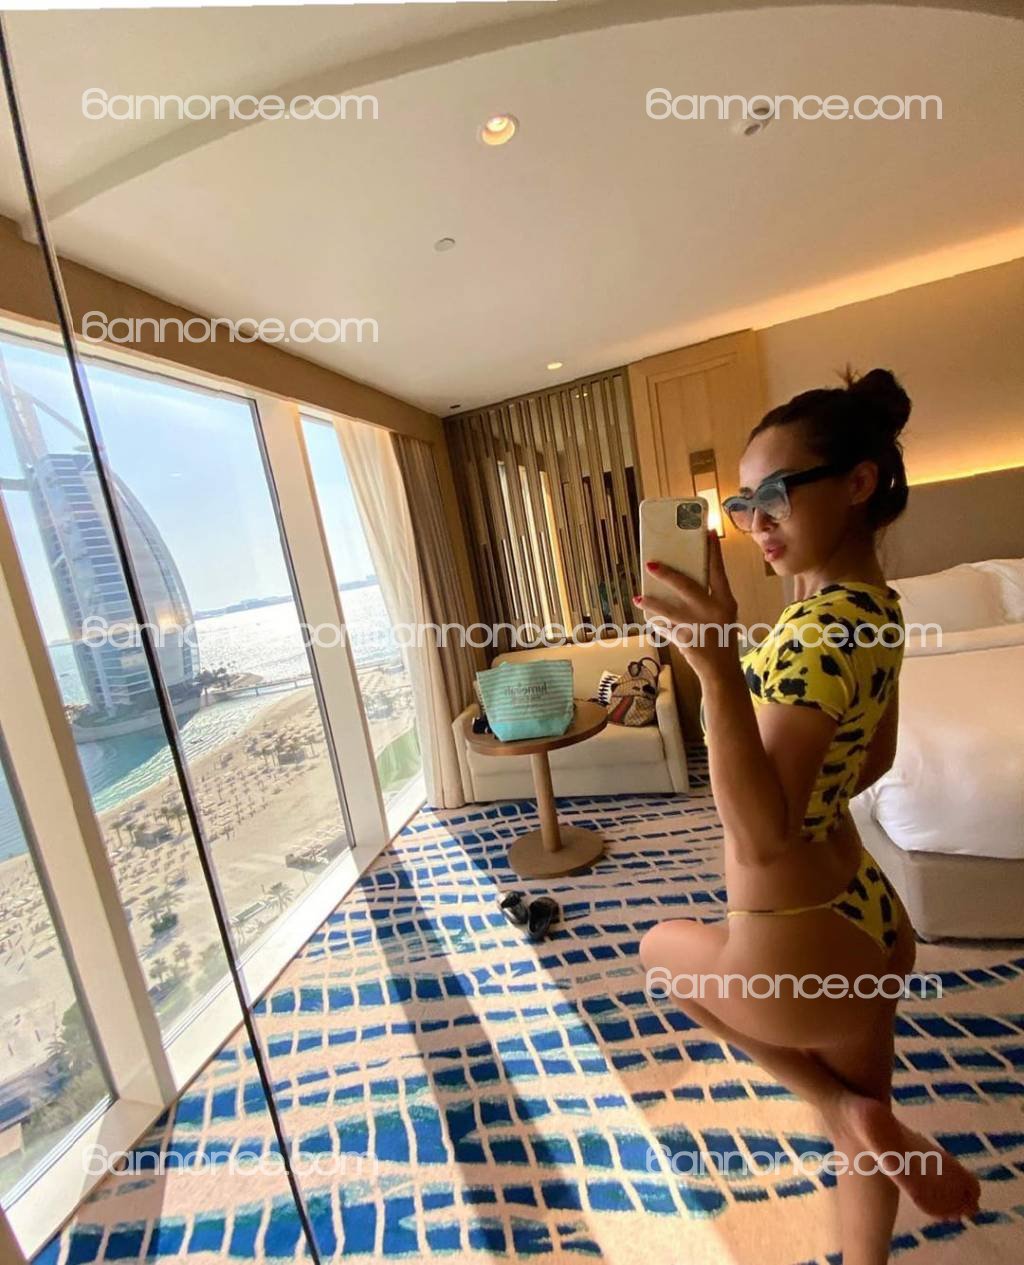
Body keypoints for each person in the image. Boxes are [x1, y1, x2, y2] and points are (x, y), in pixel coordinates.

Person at [634, 369, 980, 1265]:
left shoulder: (810, 632)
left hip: (791, 948)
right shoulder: (874, 610)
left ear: (858, 482)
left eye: (776, 494)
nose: (757, 522)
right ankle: (863, 1140)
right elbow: (876, 759)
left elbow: (761, 838)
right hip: (868, 922)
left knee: (660, 953)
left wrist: (717, 671)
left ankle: (838, 1107)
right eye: (744, 504)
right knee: (868, 1125)